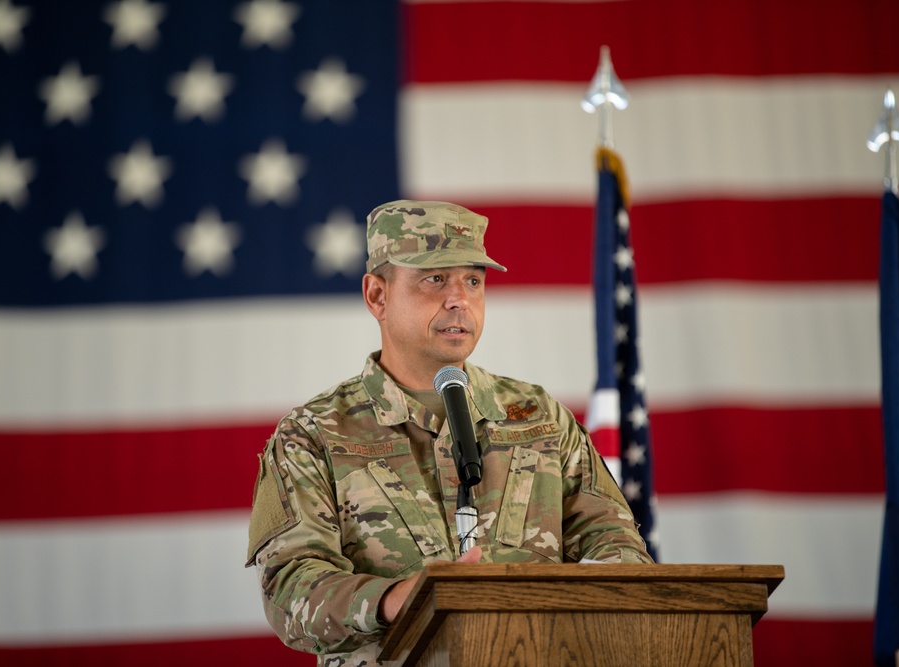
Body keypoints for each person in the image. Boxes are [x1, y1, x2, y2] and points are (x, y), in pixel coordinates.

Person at [246, 200, 653, 666]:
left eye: (473, 281)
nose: (460, 298)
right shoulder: (312, 434)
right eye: (435, 278)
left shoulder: (538, 417)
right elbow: (289, 587)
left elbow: (617, 547)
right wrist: (398, 598)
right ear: (377, 296)